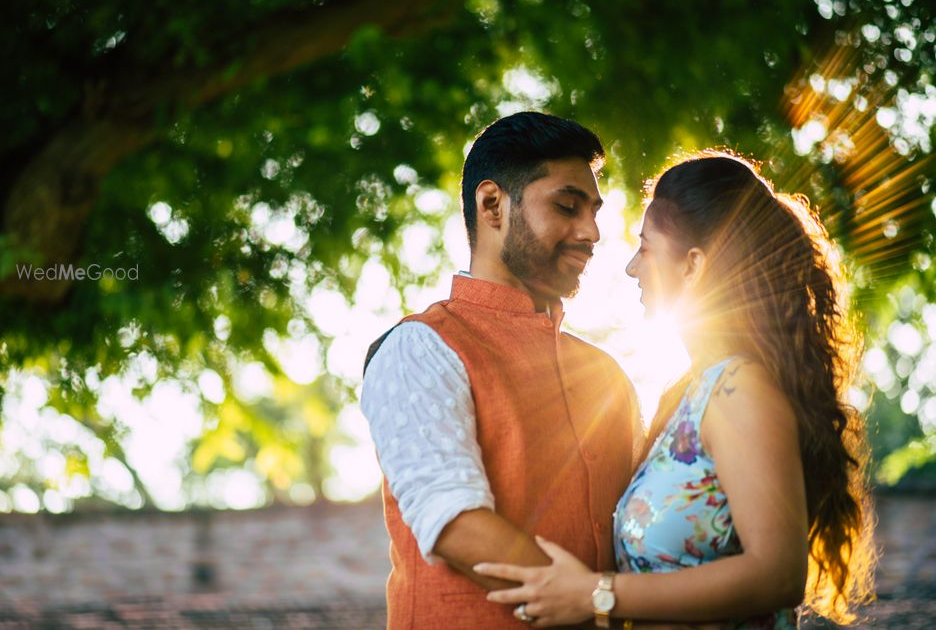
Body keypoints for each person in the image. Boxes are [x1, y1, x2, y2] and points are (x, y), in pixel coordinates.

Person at [474, 152, 877, 628]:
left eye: (645, 248)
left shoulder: (739, 390)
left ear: (692, 265)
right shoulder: (694, 392)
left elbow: (778, 573)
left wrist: (596, 596)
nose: (631, 268)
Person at [360, 111, 643, 629]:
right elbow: (456, 524)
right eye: (567, 205)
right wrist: (596, 604)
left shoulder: (606, 376)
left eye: (594, 211)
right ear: (492, 204)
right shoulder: (421, 347)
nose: (592, 231)